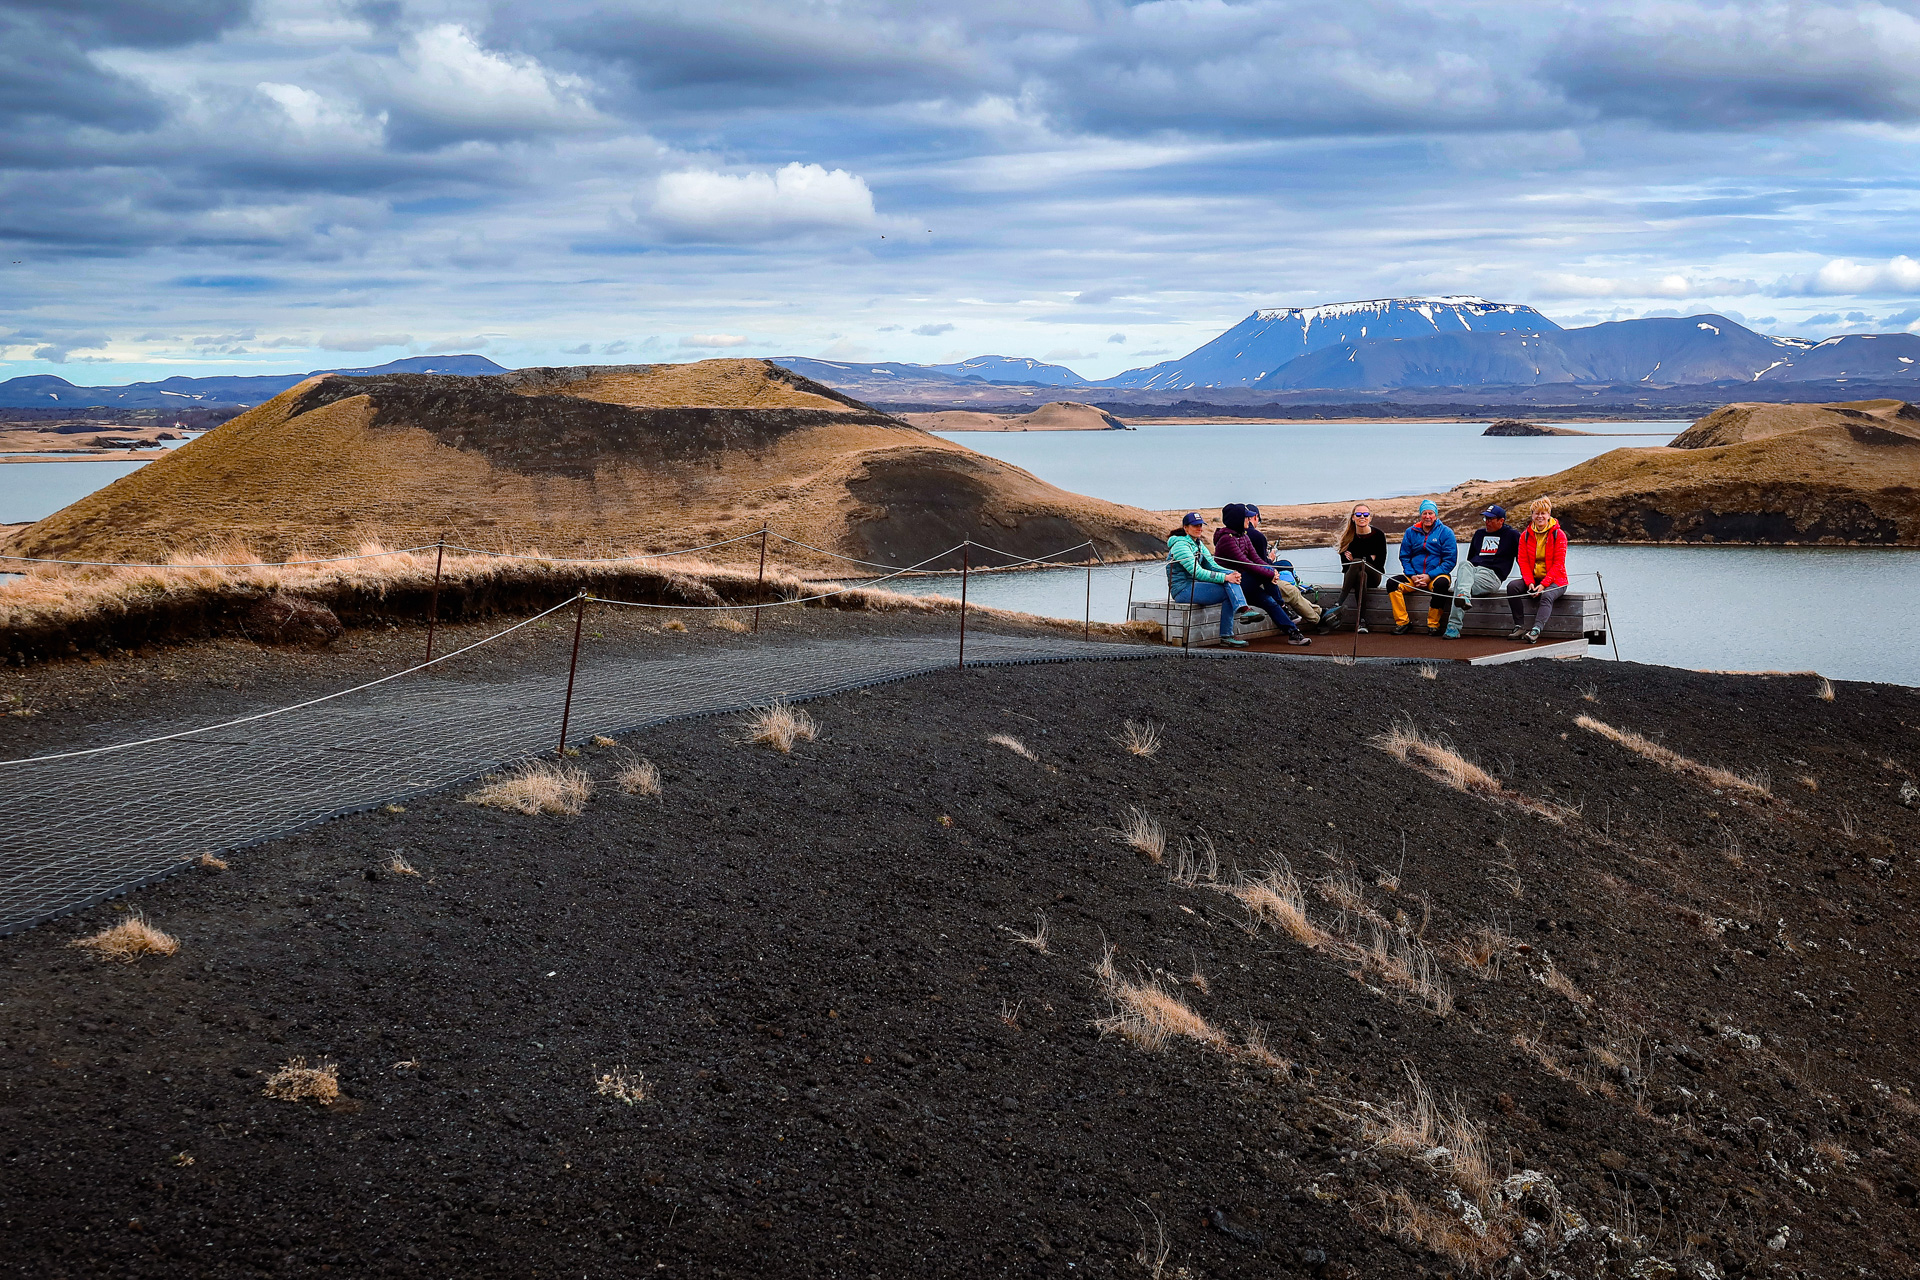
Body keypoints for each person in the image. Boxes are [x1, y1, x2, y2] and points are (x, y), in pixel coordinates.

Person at [1213, 504, 1311, 646]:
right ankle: (1283, 606)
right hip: (1230, 585)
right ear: (1237, 519)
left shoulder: (1243, 536)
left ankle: (1292, 633)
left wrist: (1271, 571)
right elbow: (1247, 563)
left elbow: (1257, 559)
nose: (1249, 520)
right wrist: (1270, 574)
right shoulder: (1227, 540)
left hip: (1243, 583)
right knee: (1264, 576)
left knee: (1269, 602)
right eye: (1246, 517)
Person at [1246, 505, 1341, 633]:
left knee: (1292, 588)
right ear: (1255, 517)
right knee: (1291, 591)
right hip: (1259, 580)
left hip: (1257, 577)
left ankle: (1321, 612)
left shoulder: (1237, 536)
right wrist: (1270, 559)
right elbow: (1261, 563)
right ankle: (1319, 621)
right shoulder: (1256, 536)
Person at [1167, 511, 1251, 647]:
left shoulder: (1198, 544)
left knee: (1230, 584)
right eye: (1195, 525)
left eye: (1200, 525)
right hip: (1182, 590)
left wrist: (1231, 573)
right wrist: (1226, 577)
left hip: (1194, 585)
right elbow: (1197, 573)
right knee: (1227, 591)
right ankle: (1234, 624)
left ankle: (1241, 614)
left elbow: (1213, 566)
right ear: (1185, 528)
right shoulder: (1180, 546)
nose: (1199, 528)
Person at [1387, 499, 1458, 636]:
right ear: (1420, 515)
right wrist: (1413, 575)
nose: (1427, 516)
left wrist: (1429, 576)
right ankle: (1403, 622)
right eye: (1424, 513)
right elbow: (1404, 557)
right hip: (1413, 576)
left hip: (1436, 575)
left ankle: (1433, 624)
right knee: (1392, 583)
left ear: (1435, 515)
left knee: (1442, 584)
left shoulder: (1446, 532)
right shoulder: (1410, 532)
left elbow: (1449, 561)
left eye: (1430, 513)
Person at [1447, 504, 1519, 638]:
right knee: (1464, 565)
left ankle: (1453, 626)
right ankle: (1463, 598)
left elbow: (1522, 558)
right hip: (1474, 571)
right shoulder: (1479, 534)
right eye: (1485, 519)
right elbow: (1470, 559)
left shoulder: (1512, 535)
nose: (1487, 522)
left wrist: (1530, 579)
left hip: (1492, 576)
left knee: (1460, 585)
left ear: (1501, 521)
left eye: (1490, 519)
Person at [1507, 497, 1569, 644]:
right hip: (1534, 579)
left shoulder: (1559, 535)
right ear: (1532, 515)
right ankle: (1519, 626)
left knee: (1546, 596)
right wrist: (1529, 583)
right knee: (1512, 587)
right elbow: (1522, 561)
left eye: (1543, 513)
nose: (1540, 516)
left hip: (1557, 581)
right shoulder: (1525, 536)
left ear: (1549, 515)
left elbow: (1558, 563)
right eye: (1536, 513)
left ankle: (1536, 630)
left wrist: (1543, 585)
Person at [1335, 503, 1387, 633]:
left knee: (1358, 562)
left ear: (1370, 517)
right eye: (1358, 514)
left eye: (1365, 514)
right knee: (1360, 575)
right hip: (1352, 578)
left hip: (1374, 576)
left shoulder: (1379, 535)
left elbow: (1379, 564)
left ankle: (1338, 603)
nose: (1362, 517)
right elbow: (1345, 567)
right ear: (1353, 517)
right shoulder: (1347, 538)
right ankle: (1362, 621)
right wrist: (1368, 558)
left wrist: (1356, 559)